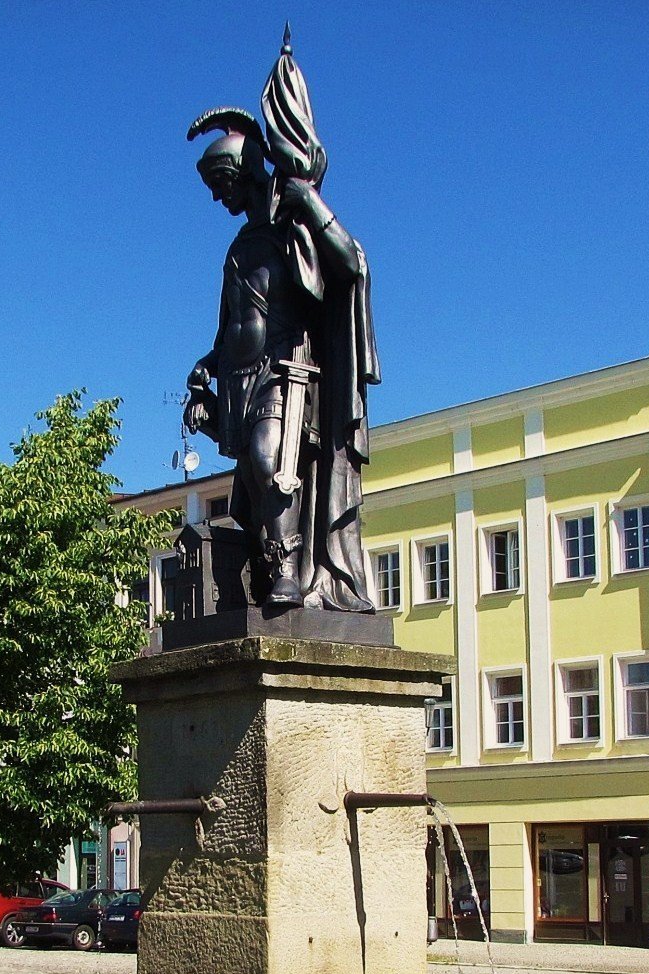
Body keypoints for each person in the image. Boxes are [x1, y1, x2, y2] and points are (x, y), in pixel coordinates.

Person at [183, 36, 378, 611]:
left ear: (241, 172)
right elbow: (231, 327)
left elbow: (351, 262)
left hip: (286, 373)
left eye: (221, 186)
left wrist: (311, 204)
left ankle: (289, 572)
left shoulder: (290, 226)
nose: (219, 200)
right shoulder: (240, 247)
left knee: (274, 464)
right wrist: (202, 374)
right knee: (248, 489)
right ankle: (268, 577)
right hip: (237, 380)